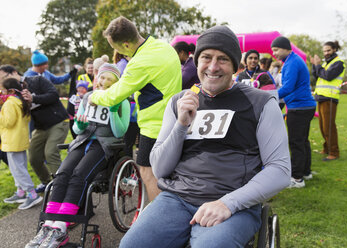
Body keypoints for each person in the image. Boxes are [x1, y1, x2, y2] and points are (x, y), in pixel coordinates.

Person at [120, 25, 291, 248]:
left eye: (222, 59)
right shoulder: (180, 101)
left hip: (233, 202)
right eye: (206, 57)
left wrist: (228, 203)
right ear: (196, 61)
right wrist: (181, 125)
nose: (212, 66)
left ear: (234, 65)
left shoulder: (261, 103)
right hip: (177, 199)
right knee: (131, 245)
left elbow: (280, 170)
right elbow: (160, 169)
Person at [25, 64, 130, 248]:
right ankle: (48, 224)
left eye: (109, 79)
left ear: (116, 83)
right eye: (102, 78)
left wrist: (113, 111)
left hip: (104, 144)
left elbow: (120, 130)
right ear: (97, 79)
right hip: (82, 141)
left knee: (79, 176)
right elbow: (75, 128)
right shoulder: (87, 97)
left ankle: (61, 227)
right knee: (61, 174)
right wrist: (80, 125)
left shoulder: (122, 101)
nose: (104, 82)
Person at [88, 16, 182, 202]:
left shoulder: (139, 63)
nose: (116, 51)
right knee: (170, 175)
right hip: (175, 118)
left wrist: (94, 97)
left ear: (125, 44)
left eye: (116, 47)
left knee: (148, 174)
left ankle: (160, 219)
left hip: (154, 126)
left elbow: (114, 95)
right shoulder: (162, 46)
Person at [0, 65, 69, 193]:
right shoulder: (14, 94)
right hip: (40, 127)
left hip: (58, 122)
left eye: (5, 77)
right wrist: (30, 134)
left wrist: (34, 98)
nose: (3, 82)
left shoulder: (36, 80)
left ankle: (61, 187)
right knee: (34, 157)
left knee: (50, 153)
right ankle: (48, 183)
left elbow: (54, 95)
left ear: (14, 72)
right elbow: (24, 116)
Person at [271, 36, 316, 188]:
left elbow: (288, 88)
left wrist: (269, 96)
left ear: (286, 48)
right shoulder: (292, 61)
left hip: (299, 107)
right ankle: (306, 172)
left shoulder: (292, 62)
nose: (274, 53)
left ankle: (297, 178)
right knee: (303, 141)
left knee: (296, 142)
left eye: (276, 50)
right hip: (304, 106)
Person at [0, 78, 42, 209]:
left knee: (18, 169)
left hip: (12, 141)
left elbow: (8, 122)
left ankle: (32, 194)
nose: (1, 92)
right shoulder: (21, 102)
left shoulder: (9, 104)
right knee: (19, 167)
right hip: (19, 140)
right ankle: (21, 192)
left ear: (11, 91)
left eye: (3, 90)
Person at [310, 41, 345, 161]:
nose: (326, 53)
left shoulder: (338, 63)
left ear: (334, 49)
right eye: (324, 51)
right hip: (321, 97)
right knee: (322, 126)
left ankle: (334, 152)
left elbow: (328, 76)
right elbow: (317, 76)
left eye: (328, 50)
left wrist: (318, 66)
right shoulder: (326, 63)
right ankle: (326, 148)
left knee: (329, 126)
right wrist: (315, 65)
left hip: (330, 98)